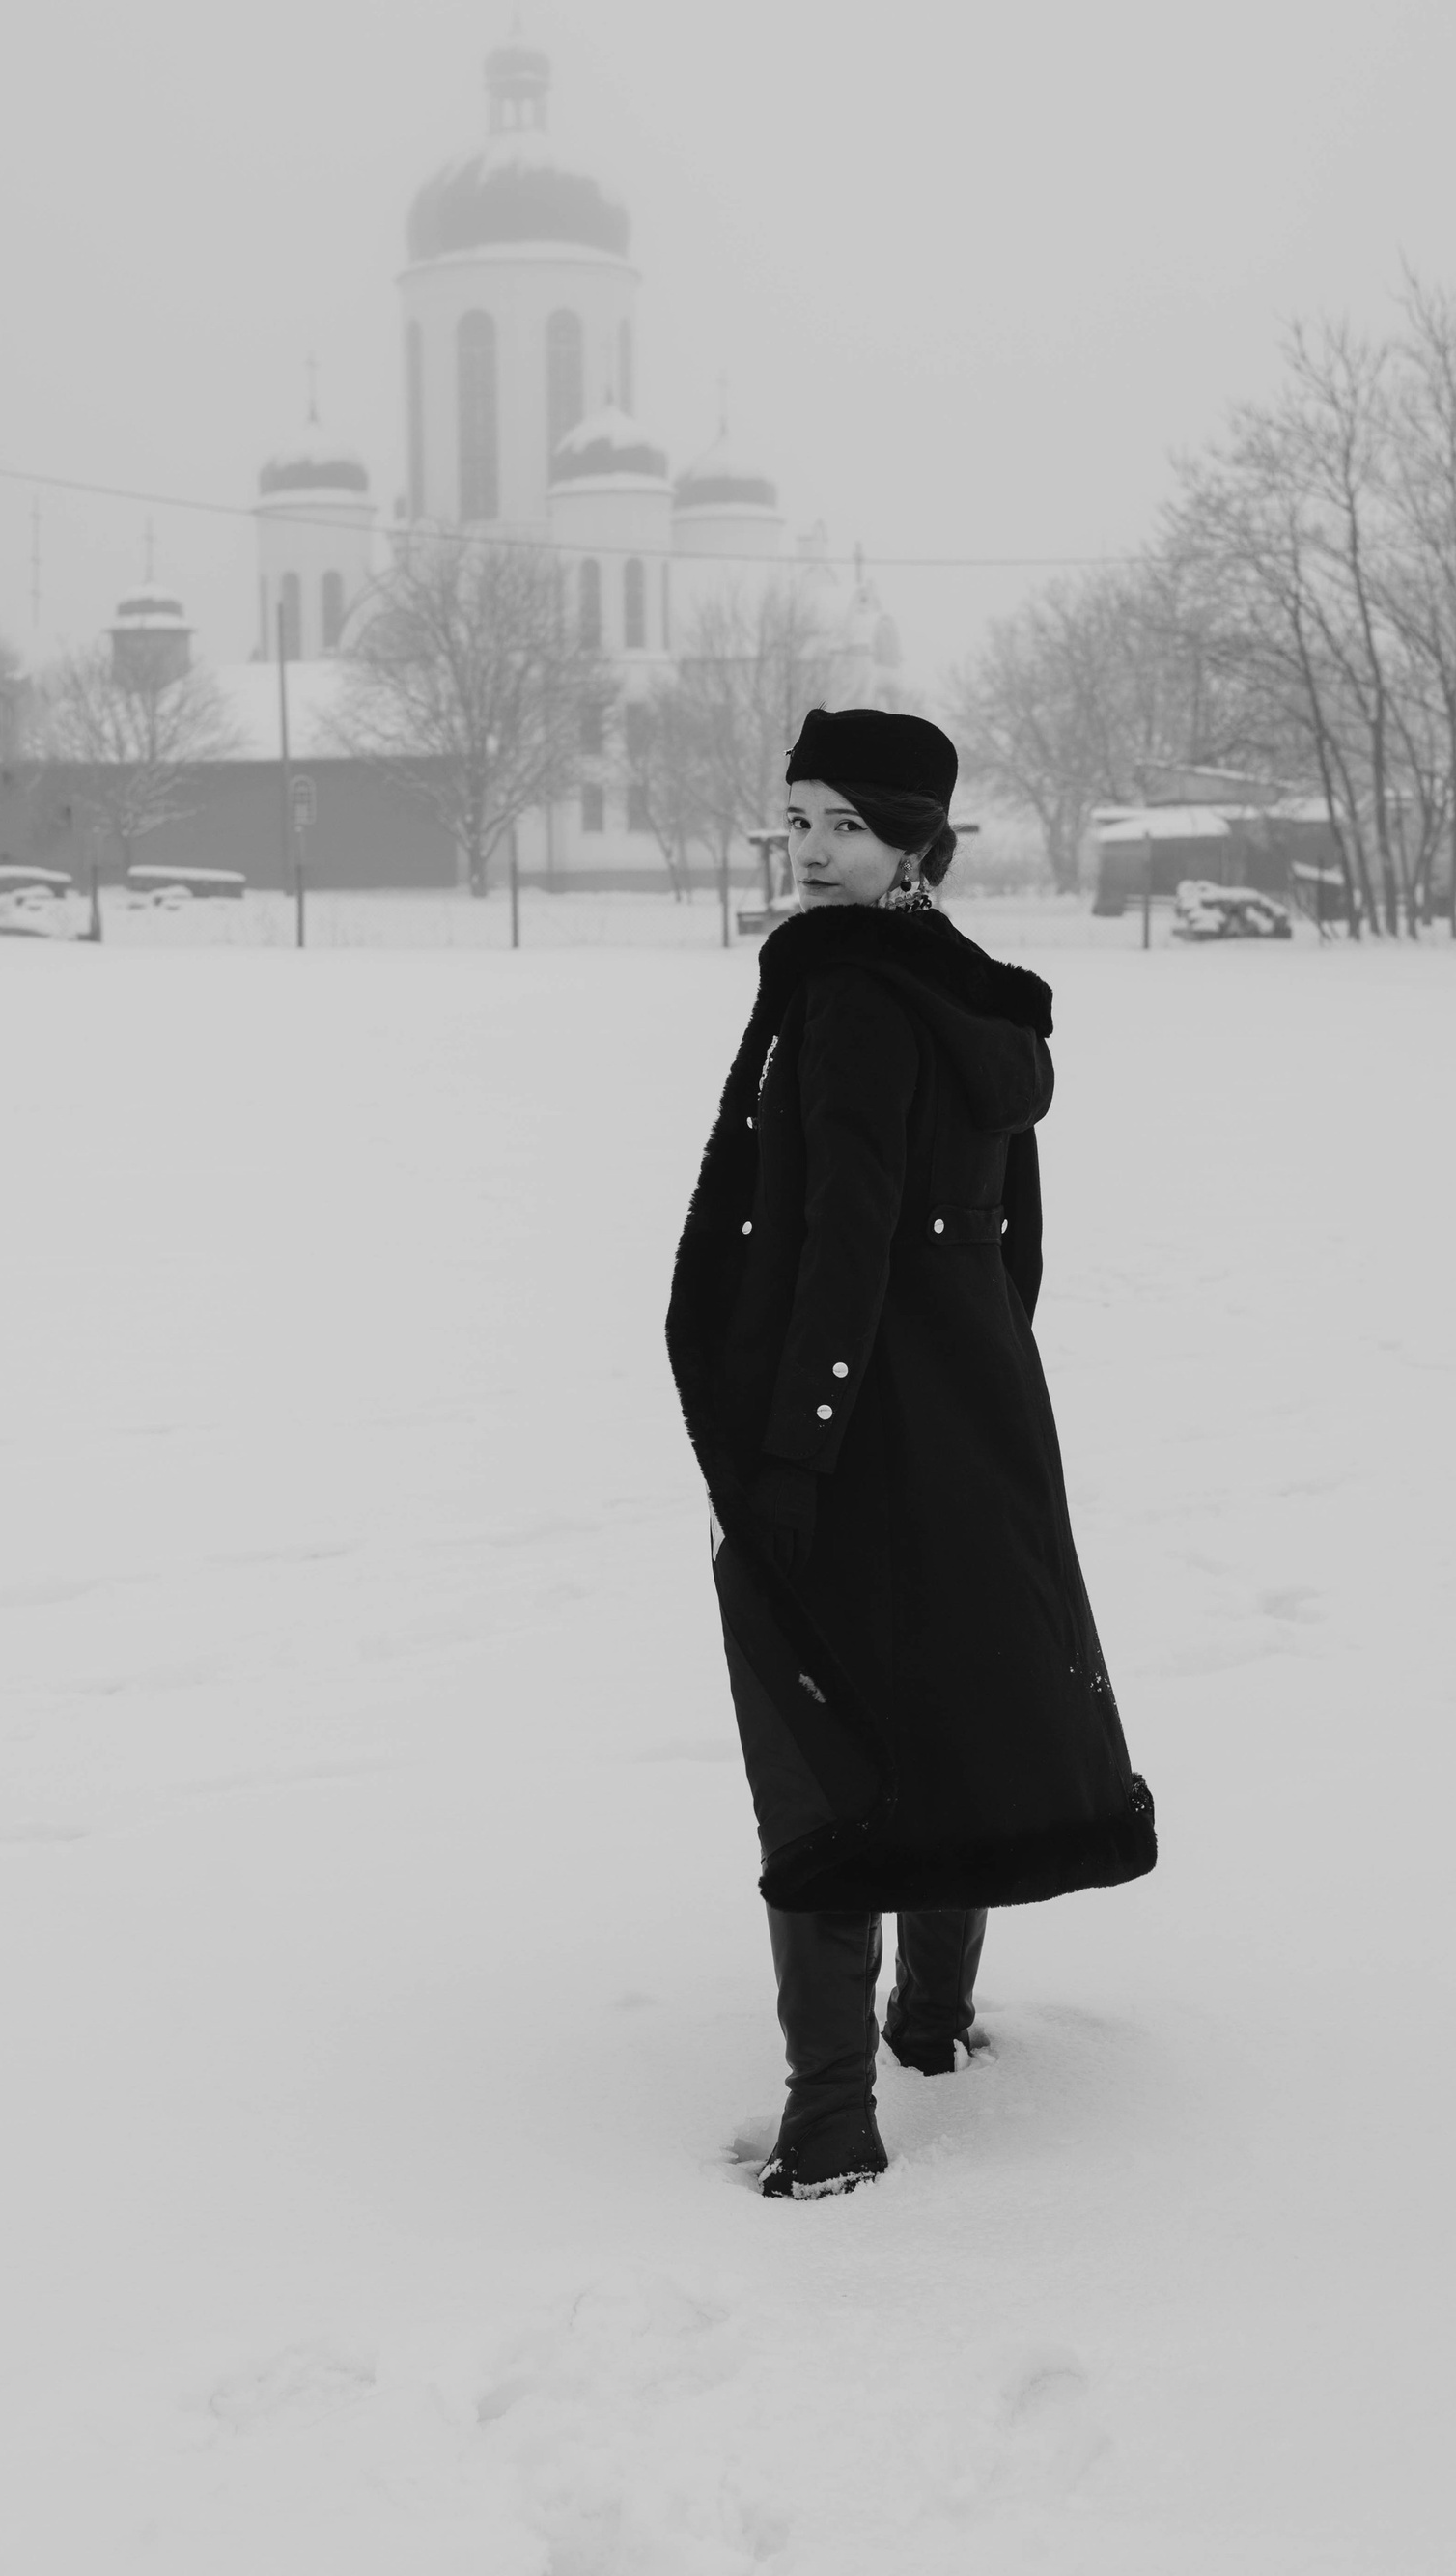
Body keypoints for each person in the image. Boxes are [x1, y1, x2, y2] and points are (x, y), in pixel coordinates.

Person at [666, 707, 1156, 2199]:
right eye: (799, 820)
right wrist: (972, 1383)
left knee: (822, 1748)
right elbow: (1016, 1244)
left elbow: (845, 1234)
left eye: (850, 828)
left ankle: (830, 2125)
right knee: (955, 1704)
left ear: (916, 847)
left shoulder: (853, 995)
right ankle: (929, 2025)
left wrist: (798, 1449)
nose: (814, 852)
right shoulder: (974, 993)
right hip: (976, 1409)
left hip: (849, 1428)